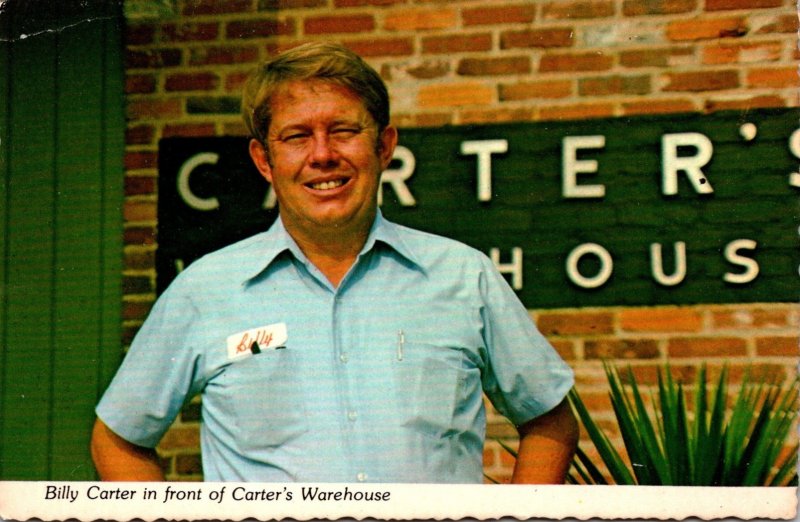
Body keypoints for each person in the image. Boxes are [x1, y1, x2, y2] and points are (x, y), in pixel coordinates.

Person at [91, 42, 578, 483]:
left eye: (343, 131)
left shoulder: (464, 277)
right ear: (264, 160)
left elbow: (549, 422)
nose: (322, 155)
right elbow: (119, 439)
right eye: (297, 137)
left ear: (384, 146)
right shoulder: (204, 291)